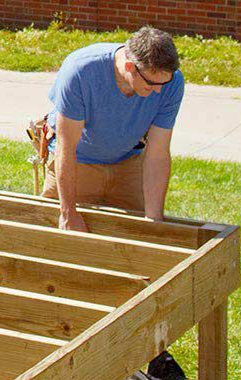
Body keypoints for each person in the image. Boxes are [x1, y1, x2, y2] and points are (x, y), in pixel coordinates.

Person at [41, 26, 184, 232]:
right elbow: (66, 147)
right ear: (129, 66)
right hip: (78, 164)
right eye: (152, 83)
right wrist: (68, 213)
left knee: (136, 240)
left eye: (165, 82)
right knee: (62, 244)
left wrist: (154, 223)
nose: (159, 90)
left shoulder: (171, 82)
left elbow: (158, 154)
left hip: (128, 162)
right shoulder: (81, 71)